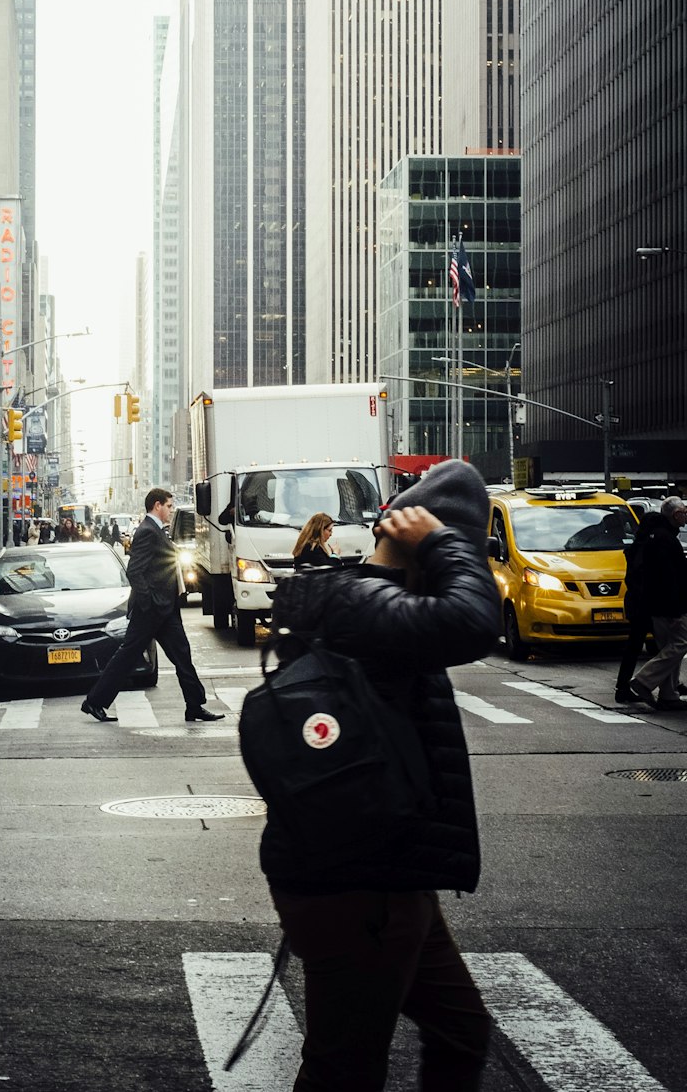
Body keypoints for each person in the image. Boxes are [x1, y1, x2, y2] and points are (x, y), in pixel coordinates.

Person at [263, 460, 502, 1092]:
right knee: (344, 1068)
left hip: (392, 875)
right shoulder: (369, 606)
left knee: (460, 1031)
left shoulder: (369, 604)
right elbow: (476, 622)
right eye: (457, 549)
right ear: (423, 541)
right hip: (358, 887)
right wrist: (446, 545)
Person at [80, 487, 224, 724]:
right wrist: (150, 602)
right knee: (127, 656)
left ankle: (195, 706)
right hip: (152, 610)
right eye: (169, 506)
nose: (171, 510)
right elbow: (134, 571)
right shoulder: (147, 531)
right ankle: (94, 702)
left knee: (182, 655)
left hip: (165, 610)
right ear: (157, 506)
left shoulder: (158, 530)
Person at [624, 497, 687, 711]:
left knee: (668, 647)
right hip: (668, 605)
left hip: (655, 604)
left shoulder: (657, 537)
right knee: (680, 643)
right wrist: (677, 606)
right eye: (683, 511)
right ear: (675, 515)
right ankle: (643, 681)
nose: (686, 514)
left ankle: (668, 694)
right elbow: (669, 577)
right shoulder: (665, 539)